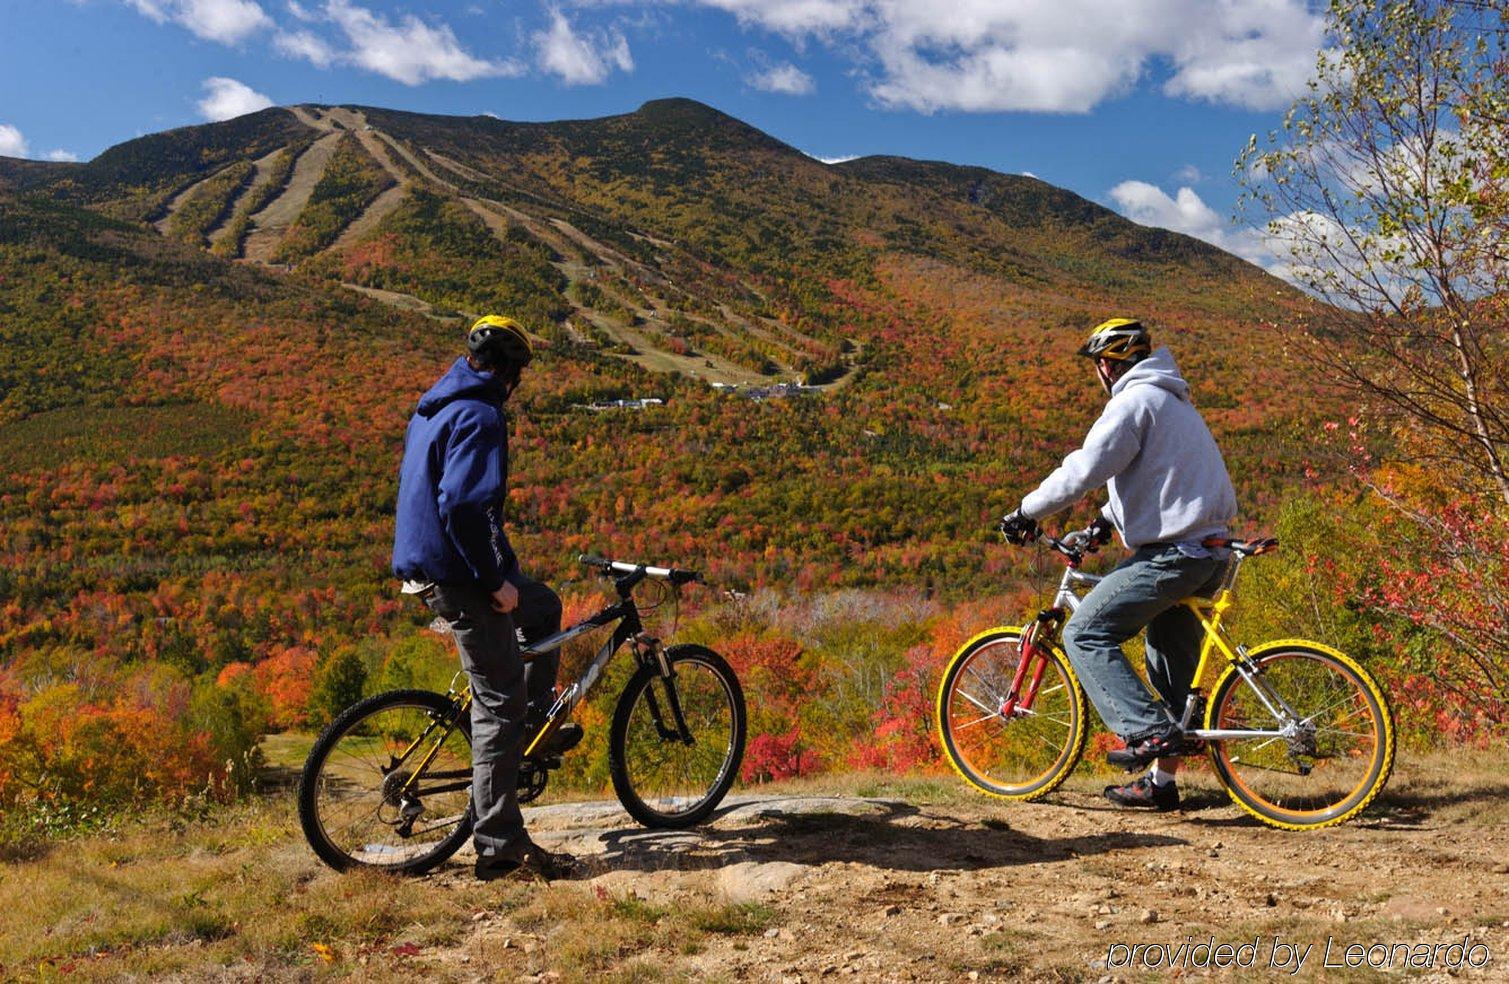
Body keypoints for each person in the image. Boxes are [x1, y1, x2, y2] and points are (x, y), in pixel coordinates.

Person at [998, 318, 1237, 811]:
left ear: (1108, 365)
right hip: (1209, 551)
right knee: (1171, 666)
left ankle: (1145, 732)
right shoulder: (1172, 400)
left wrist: (1025, 512)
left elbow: (1083, 470)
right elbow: (1159, 482)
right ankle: (1161, 784)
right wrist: (1104, 524)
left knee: (1083, 633)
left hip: (1175, 555)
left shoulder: (1132, 403)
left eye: (1098, 366)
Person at [392, 314, 581, 880]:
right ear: (509, 372)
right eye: (519, 373)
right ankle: (499, 843)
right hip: (458, 574)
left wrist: (508, 575)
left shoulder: (435, 407)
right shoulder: (481, 415)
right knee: (500, 701)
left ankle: (528, 733)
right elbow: (464, 507)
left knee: (543, 607)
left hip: (435, 563)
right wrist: (493, 581)